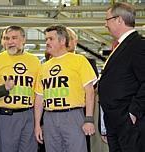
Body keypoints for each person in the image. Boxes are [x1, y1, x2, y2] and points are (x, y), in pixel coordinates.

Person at [34, 24, 97, 152]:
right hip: (49, 117)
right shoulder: (43, 66)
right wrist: (37, 125)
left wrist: (89, 119)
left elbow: (90, 92)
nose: (47, 42)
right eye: (46, 39)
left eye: (51, 39)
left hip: (72, 115)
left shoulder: (79, 60)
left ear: (62, 41)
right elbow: (39, 98)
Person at [98, 2, 145, 152]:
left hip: (128, 120)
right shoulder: (120, 46)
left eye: (107, 20)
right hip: (115, 120)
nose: (105, 25)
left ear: (119, 19)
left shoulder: (138, 45)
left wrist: (133, 112)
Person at [0, 25, 40, 152]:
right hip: (5, 116)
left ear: (23, 39)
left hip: (28, 115)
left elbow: (39, 92)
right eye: (6, 38)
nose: (10, 42)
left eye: (14, 38)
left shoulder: (35, 62)